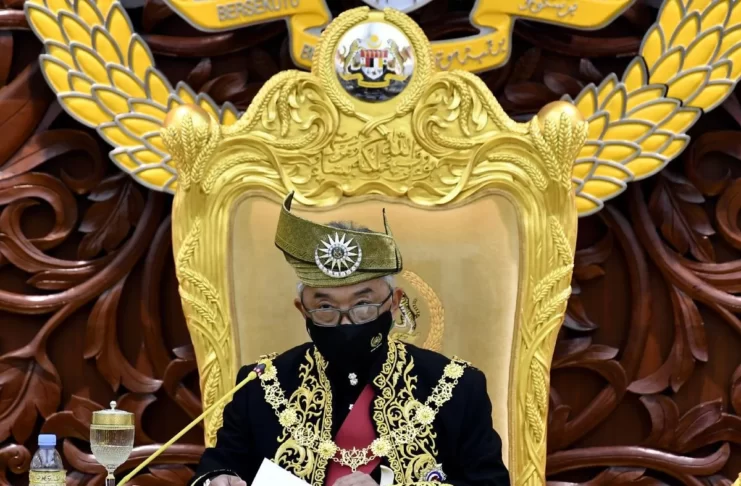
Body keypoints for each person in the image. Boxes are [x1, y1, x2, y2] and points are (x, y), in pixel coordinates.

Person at [190, 193, 510, 486]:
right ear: (303, 310)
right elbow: (217, 465)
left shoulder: (456, 387)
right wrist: (216, 479)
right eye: (326, 308)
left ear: (395, 303)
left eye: (362, 305)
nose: (346, 323)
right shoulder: (260, 386)